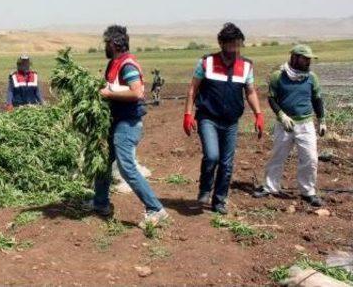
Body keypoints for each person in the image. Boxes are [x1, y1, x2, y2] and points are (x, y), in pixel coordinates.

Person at [83, 25, 169, 227]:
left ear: (113, 43)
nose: (104, 46)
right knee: (103, 161)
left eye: (106, 42)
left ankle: (155, 208)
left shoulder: (127, 65)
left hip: (127, 123)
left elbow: (136, 93)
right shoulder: (114, 63)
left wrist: (108, 94)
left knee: (126, 166)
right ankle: (101, 202)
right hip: (115, 121)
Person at [183, 23, 264, 214]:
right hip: (208, 117)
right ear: (221, 43)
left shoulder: (246, 66)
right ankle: (204, 189)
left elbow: (250, 91)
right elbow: (193, 88)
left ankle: (219, 200)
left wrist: (258, 114)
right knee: (212, 156)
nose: (234, 49)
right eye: (230, 45)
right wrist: (188, 114)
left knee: (227, 164)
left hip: (231, 121)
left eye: (238, 45)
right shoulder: (206, 62)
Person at [253, 45, 326, 207]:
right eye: (305, 58)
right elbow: (272, 99)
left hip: (306, 125)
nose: (308, 62)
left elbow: (317, 99)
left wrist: (321, 120)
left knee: (310, 158)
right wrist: (281, 115)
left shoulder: (311, 78)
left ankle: (308, 192)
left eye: (309, 59)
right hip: (284, 124)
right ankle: (270, 187)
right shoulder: (278, 76)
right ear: (294, 57)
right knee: (277, 156)